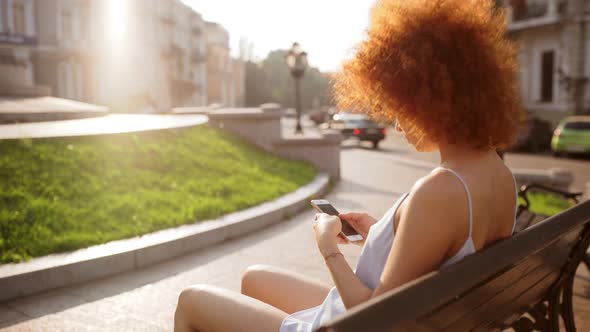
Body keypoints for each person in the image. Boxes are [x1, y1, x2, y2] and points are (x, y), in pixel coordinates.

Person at [174, 0, 522, 331]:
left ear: (432, 101)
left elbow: (376, 319)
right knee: (254, 276)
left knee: (191, 301)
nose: (396, 121)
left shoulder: (439, 191)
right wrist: (380, 235)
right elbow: (441, 253)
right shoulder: (501, 177)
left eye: (401, 104)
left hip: (354, 325)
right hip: (423, 320)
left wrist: (328, 249)